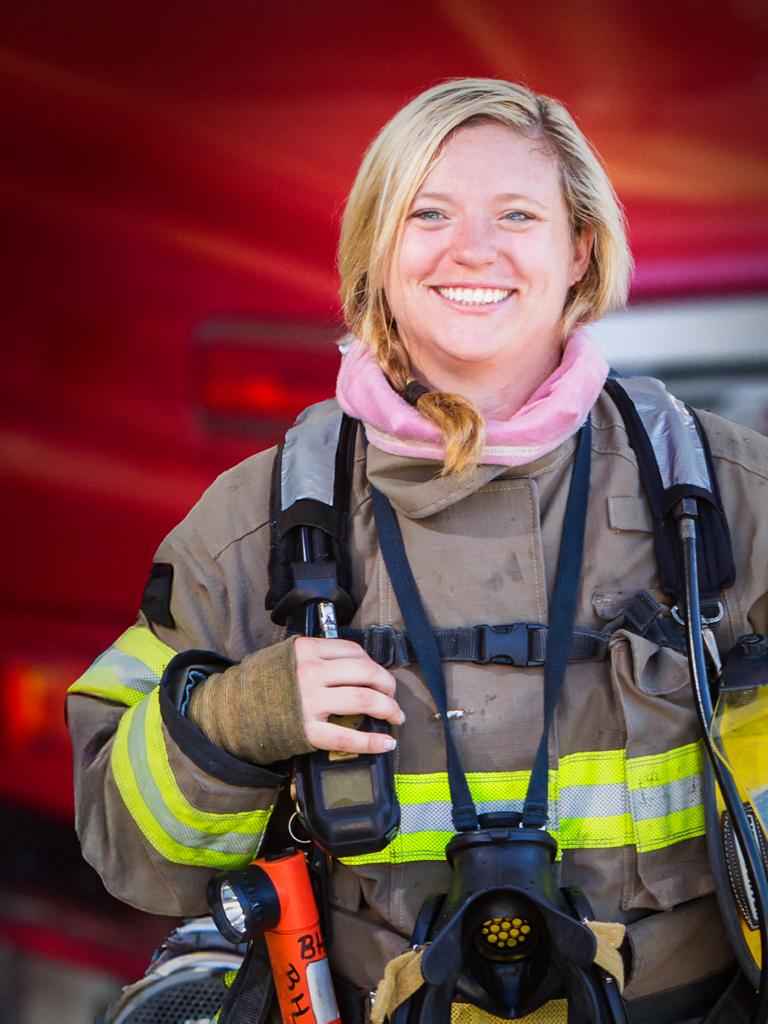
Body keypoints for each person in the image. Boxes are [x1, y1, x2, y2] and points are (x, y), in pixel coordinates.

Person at [67, 78, 768, 1022]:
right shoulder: (259, 521)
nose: (472, 248)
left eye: (516, 213)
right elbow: (124, 844)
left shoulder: (724, 495)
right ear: (377, 252)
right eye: (426, 212)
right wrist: (233, 721)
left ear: (580, 250)